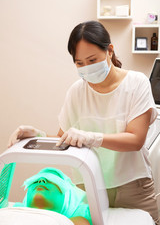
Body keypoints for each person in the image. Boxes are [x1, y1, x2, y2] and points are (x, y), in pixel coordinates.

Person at [8, 21, 159, 224]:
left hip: (132, 187)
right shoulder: (77, 91)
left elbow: (136, 139)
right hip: (90, 187)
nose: (86, 68)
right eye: (79, 63)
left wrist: (92, 138)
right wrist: (37, 136)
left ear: (110, 51)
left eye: (92, 60)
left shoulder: (136, 83)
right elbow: (63, 139)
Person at [14, 167, 91, 225]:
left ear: (68, 197)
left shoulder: (79, 222)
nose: (41, 180)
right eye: (35, 181)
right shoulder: (12, 213)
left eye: (50, 180)